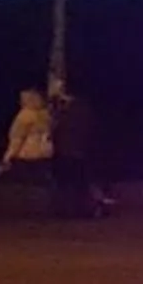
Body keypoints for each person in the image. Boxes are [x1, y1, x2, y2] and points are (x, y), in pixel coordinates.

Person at [46, 85, 111, 218]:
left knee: (74, 182)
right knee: (78, 182)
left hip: (71, 152)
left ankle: (80, 209)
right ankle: (82, 209)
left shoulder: (73, 111)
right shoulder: (81, 110)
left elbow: (63, 131)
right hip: (76, 151)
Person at [0, 88, 53, 183]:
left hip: (26, 156)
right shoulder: (47, 115)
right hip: (45, 155)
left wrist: (7, 158)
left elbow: (17, 139)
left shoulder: (24, 116)